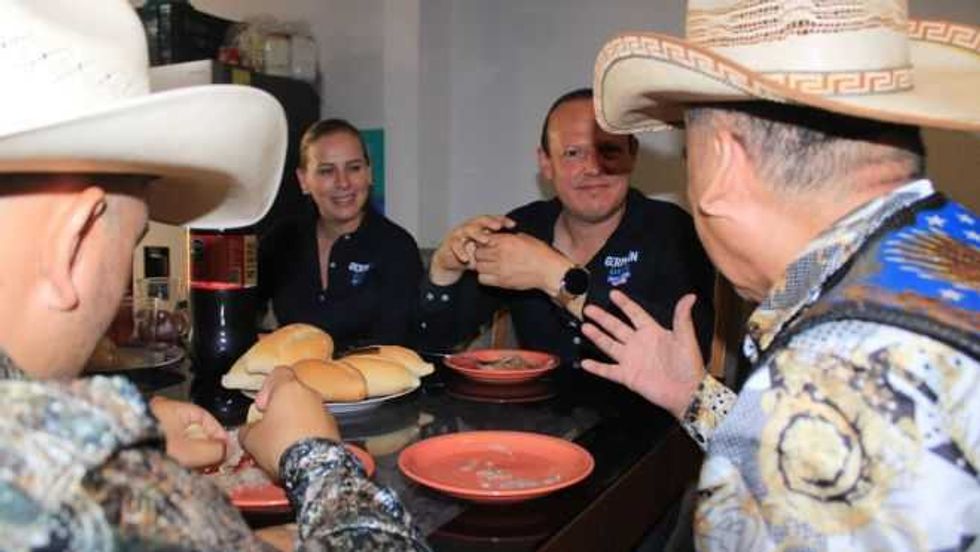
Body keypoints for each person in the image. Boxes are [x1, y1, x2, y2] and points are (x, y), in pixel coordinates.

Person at [0, 2, 427, 550]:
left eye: (354, 168)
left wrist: (138, 428)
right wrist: (313, 456)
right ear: (75, 240)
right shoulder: (100, 496)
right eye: (133, 243)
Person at [583, 1, 979, 549]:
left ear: (721, 162)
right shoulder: (946, 250)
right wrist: (694, 396)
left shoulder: (830, 379)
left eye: (688, 156)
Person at [418, 88, 715, 364]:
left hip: (636, 406)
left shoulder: (673, 231)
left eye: (609, 150)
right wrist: (444, 273)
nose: (593, 168)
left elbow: (685, 357)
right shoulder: (522, 230)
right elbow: (433, 346)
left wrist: (554, 275)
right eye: (573, 153)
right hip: (537, 405)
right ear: (546, 163)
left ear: (632, 154)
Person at [258, 119, 423, 352]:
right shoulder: (281, 240)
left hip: (370, 375)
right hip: (290, 373)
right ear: (303, 181)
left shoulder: (397, 247)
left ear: (369, 174)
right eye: (327, 171)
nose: (343, 183)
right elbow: (240, 309)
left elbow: (394, 343)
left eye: (354, 168)